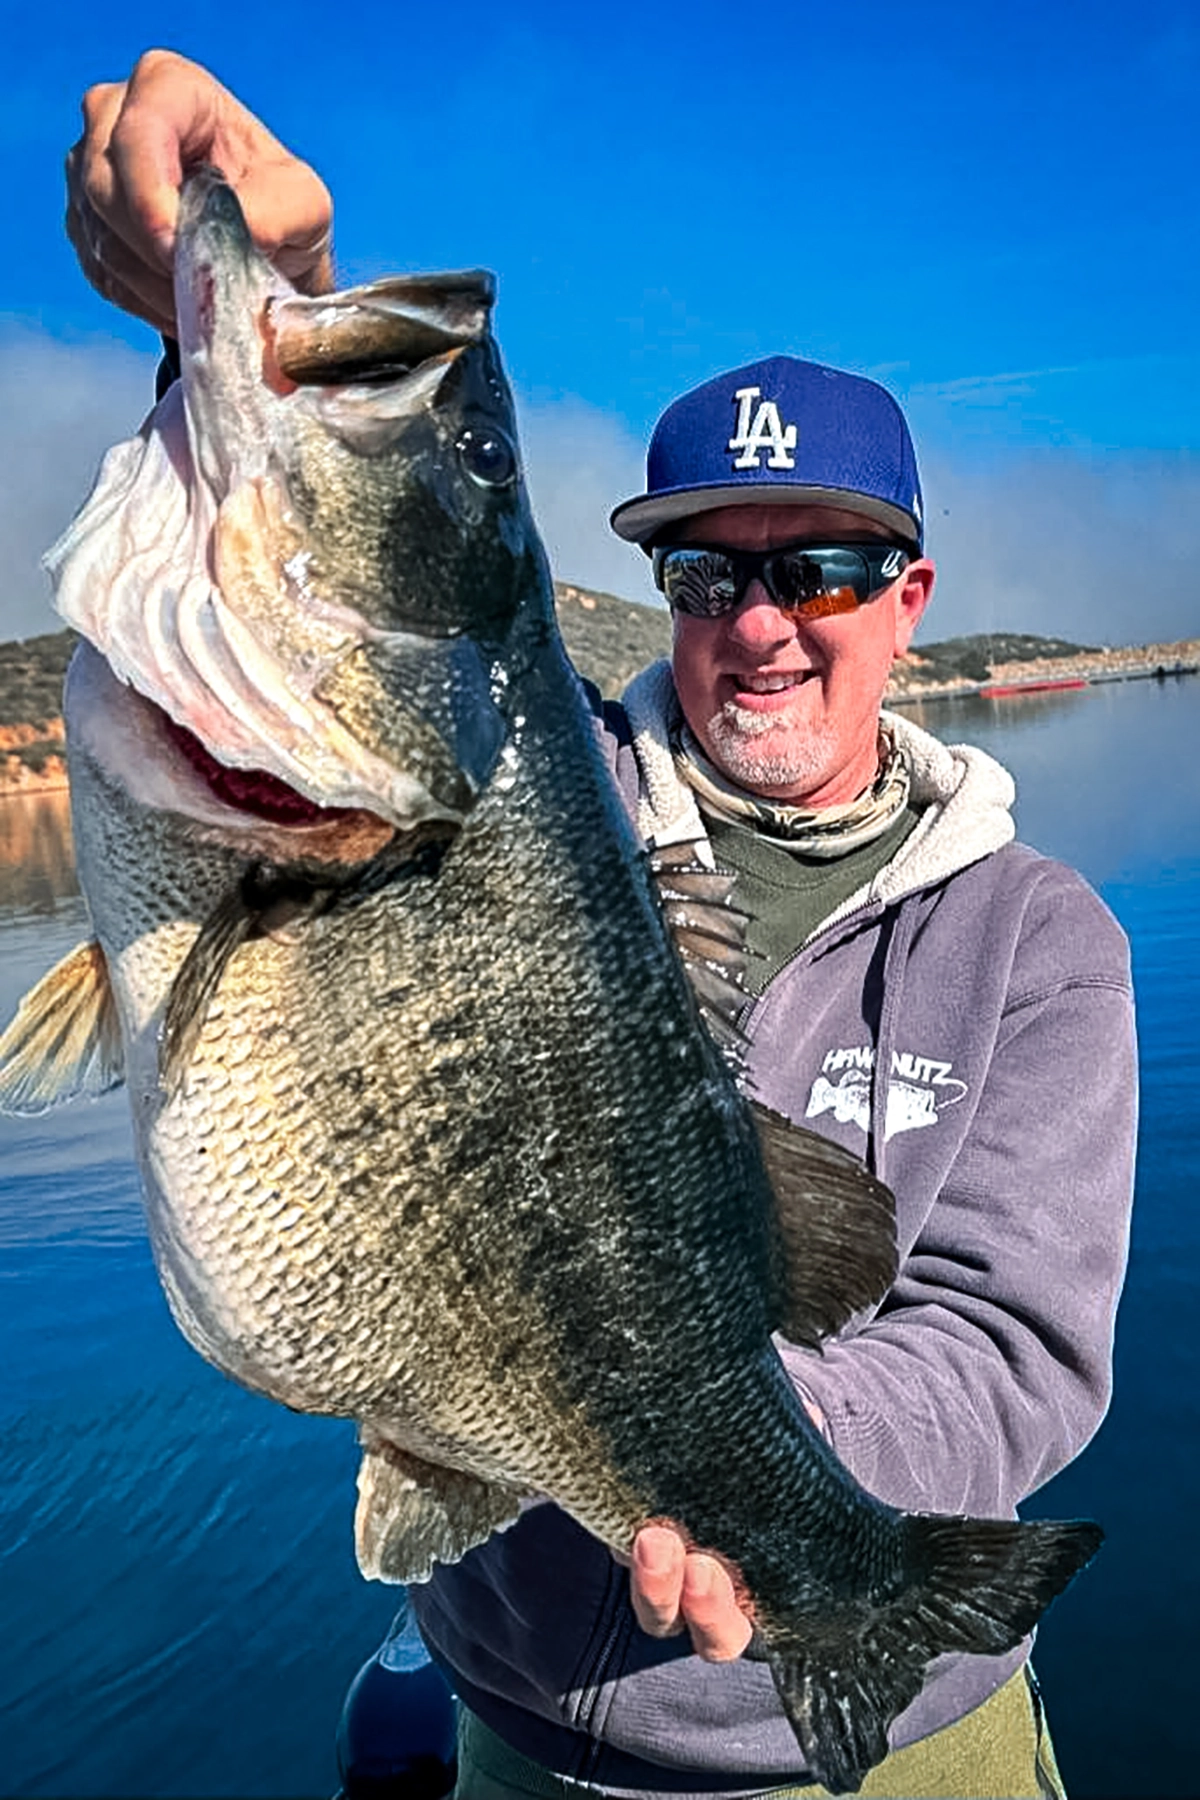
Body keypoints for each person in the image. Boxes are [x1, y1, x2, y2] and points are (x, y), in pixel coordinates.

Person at [66, 51, 1137, 1800]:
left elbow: (1014, 1349)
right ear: (663, 595)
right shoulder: (529, 787)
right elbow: (342, 574)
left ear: (910, 600)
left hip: (921, 1733)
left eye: (823, 571)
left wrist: (766, 1484)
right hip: (521, 1730)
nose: (766, 624)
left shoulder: (1042, 942)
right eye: (713, 573)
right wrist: (242, 309)